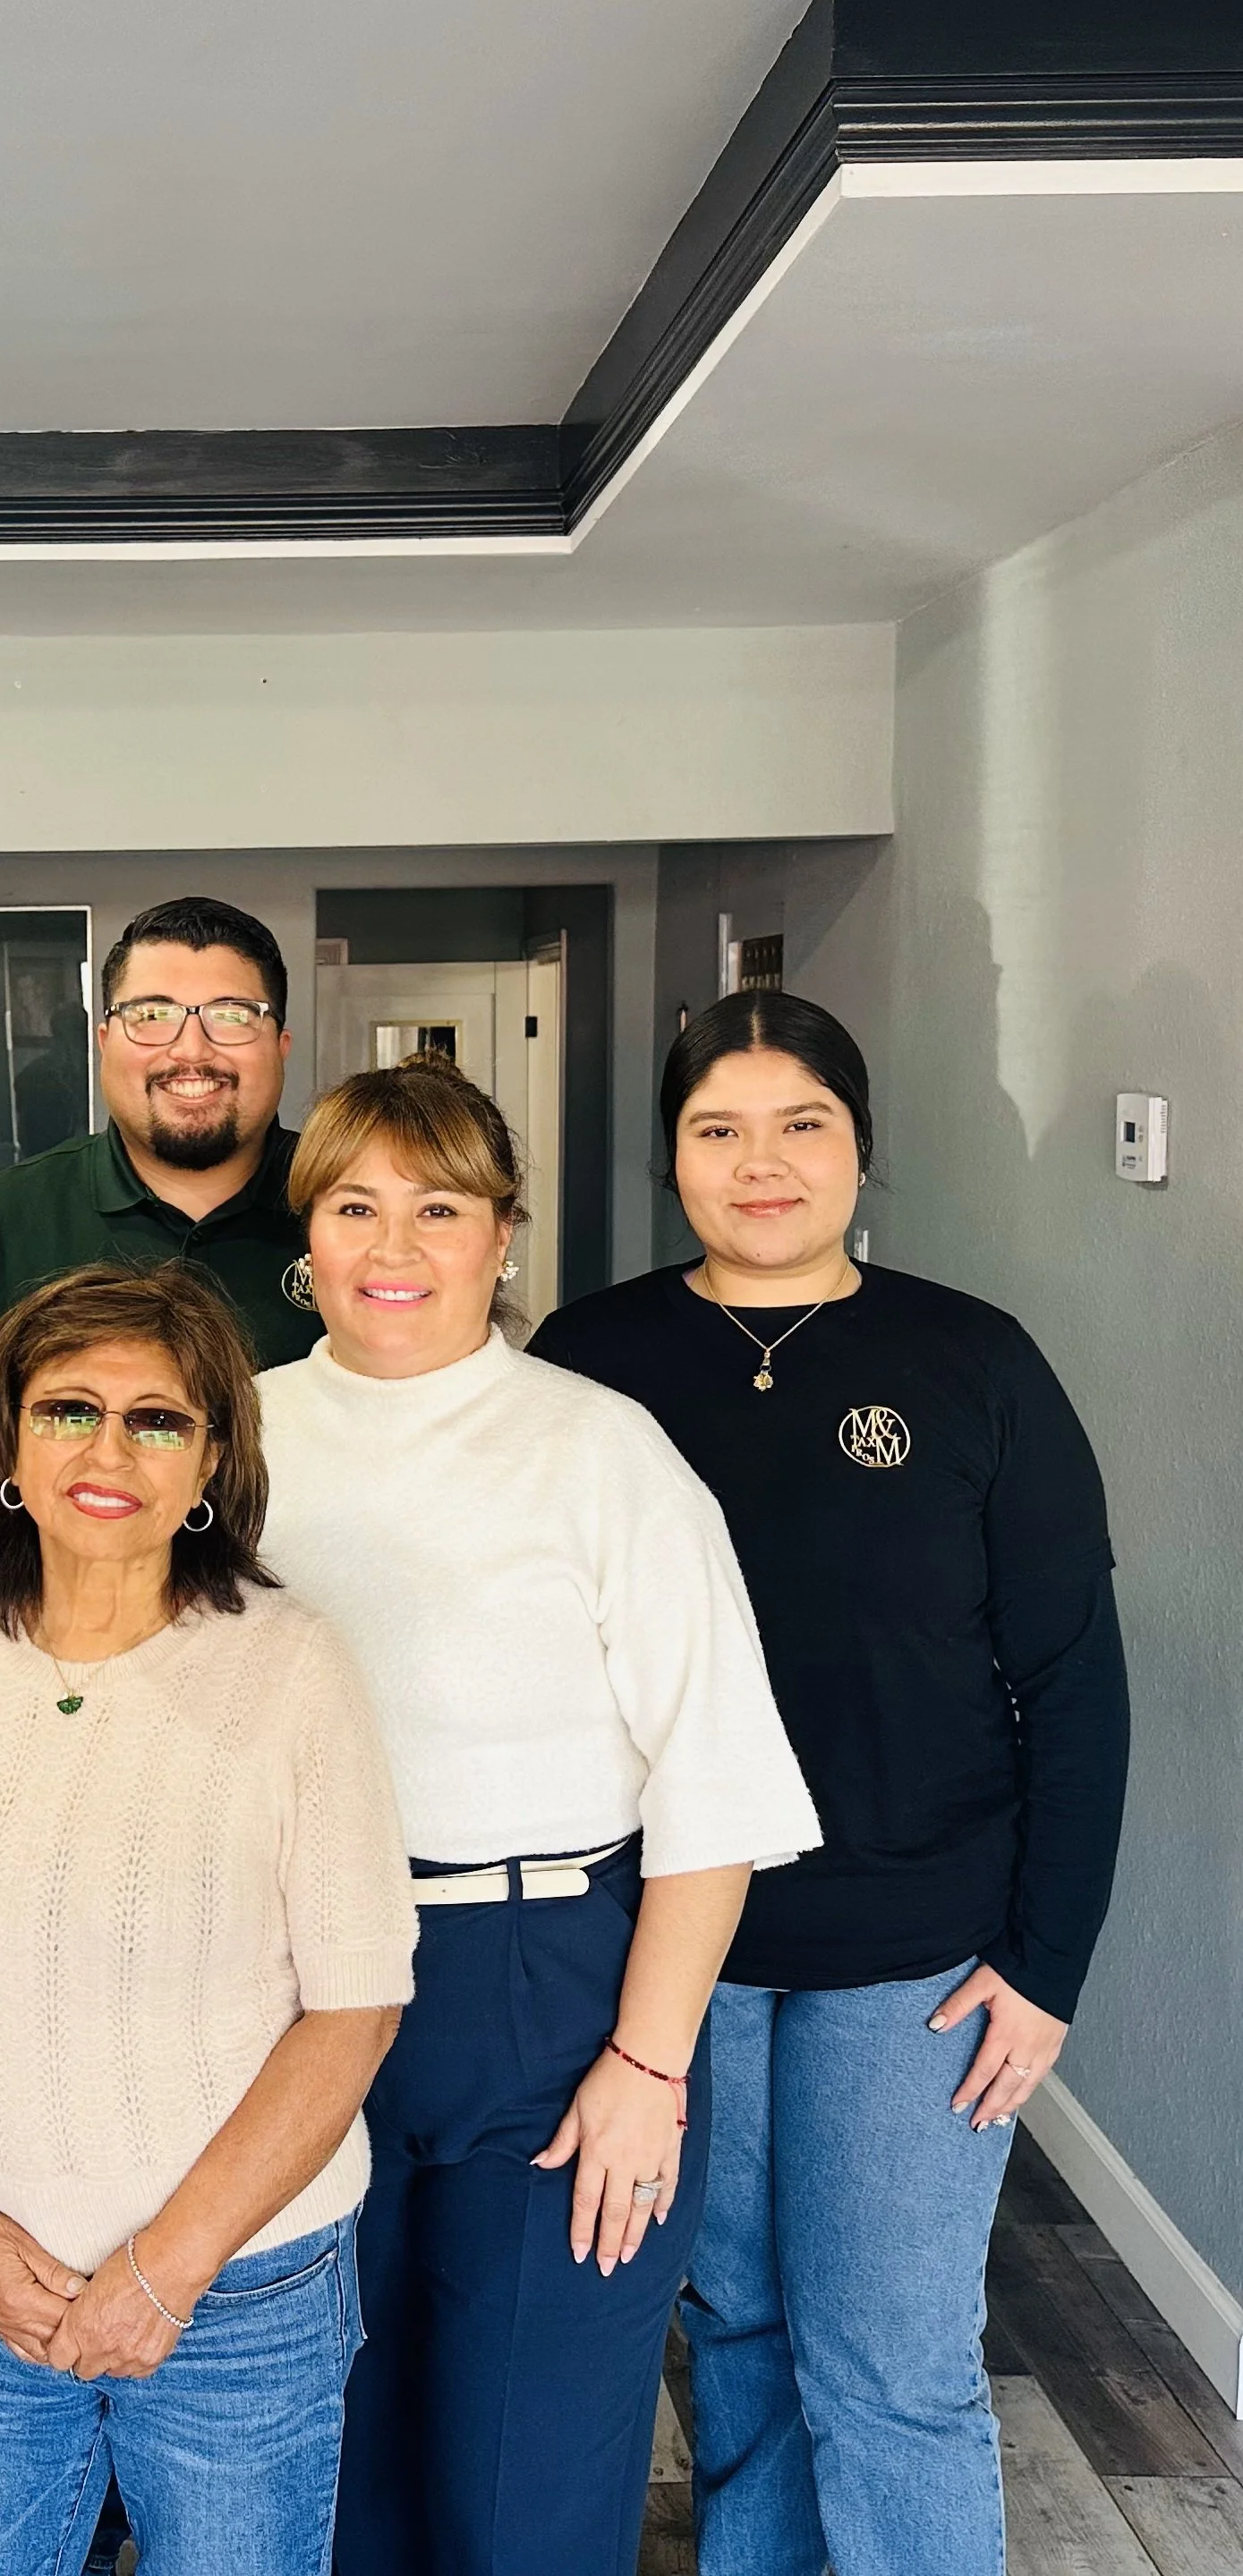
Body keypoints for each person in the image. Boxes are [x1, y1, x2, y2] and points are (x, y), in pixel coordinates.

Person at [530, 990, 1130, 2576]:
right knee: (735, 2326)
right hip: (680, 1947)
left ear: (860, 1145)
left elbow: (1070, 1679)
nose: (761, 1162)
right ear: (671, 1158)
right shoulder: (594, 1358)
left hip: (919, 1954)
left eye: (801, 1122)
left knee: (891, 2363)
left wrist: (1041, 1962)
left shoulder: (969, 1359)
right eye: (716, 1128)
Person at [256, 1054, 822, 2576]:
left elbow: (713, 1790)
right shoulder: (228, 1439)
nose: (391, 1245)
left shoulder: (600, 1450)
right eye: (353, 1203)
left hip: (544, 1988)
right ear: (300, 1233)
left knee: (529, 2491)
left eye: (436, 1206)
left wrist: (646, 2059)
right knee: (322, 2461)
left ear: (501, 1234)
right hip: (276, 1979)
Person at [0, 1265, 417, 2576]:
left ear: (208, 1464)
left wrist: (167, 2269)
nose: (108, 1449)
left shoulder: (292, 1663)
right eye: (69, 1408)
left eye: (157, 1420)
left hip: (241, 2294)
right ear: (10, 1442)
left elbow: (358, 2004)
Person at [0, 897, 319, 1369]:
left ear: (280, 1046)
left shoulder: (359, 1209)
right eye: (152, 1016)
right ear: (105, 1044)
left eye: (232, 1016)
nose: (191, 1050)